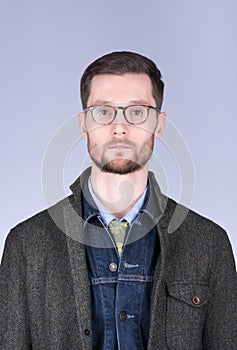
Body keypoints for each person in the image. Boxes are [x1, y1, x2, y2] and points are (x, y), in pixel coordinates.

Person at [0, 51, 236, 350]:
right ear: (83, 123)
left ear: (159, 124)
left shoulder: (209, 243)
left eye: (137, 112)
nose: (119, 127)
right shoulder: (26, 244)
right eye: (103, 111)